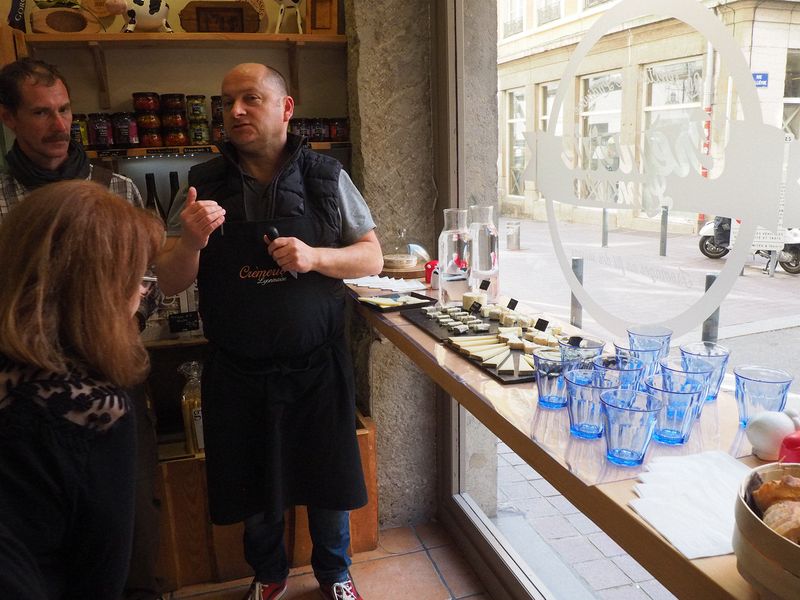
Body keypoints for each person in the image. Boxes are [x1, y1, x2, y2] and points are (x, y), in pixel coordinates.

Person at [156, 63, 383, 600]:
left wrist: (316, 256)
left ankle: (335, 574)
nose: (235, 111)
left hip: (315, 367)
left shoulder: (328, 179)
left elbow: (371, 256)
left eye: (251, 98)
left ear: (285, 108)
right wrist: (188, 241)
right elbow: (167, 281)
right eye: (227, 101)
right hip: (237, 368)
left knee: (327, 485)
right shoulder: (200, 185)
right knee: (253, 487)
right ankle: (269, 573)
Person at [0, 57, 165, 600]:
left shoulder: (116, 187)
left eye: (65, 109)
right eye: (41, 112)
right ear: (8, 118)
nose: (58, 123)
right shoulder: (96, 413)